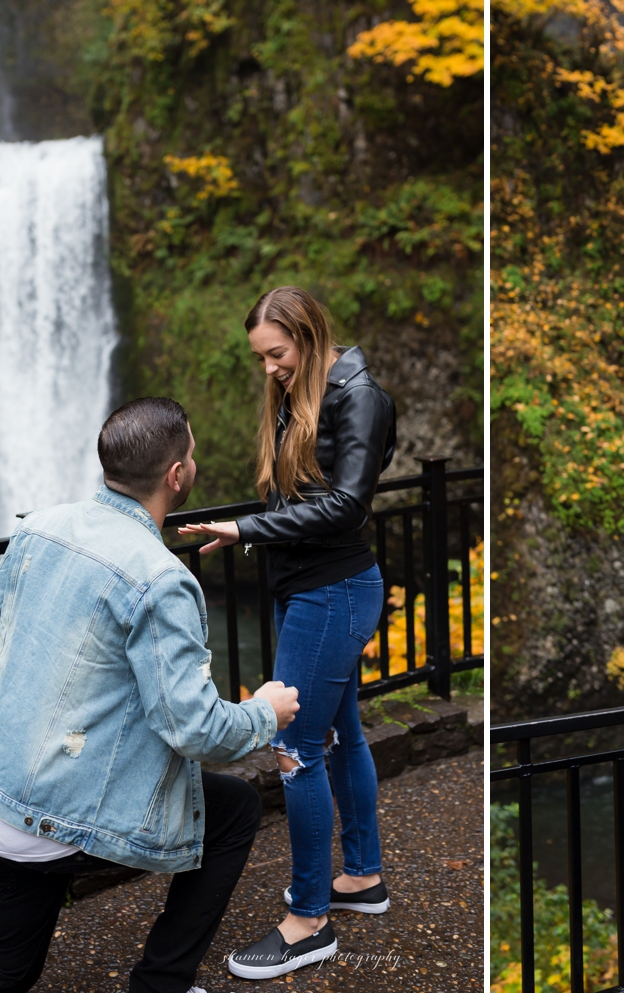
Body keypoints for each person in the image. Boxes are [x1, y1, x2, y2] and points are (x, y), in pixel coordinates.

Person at [0, 397, 301, 993]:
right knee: (3, 972)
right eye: (193, 454)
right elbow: (195, 730)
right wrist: (265, 712)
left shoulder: (41, 525)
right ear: (178, 475)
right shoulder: (160, 578)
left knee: (228, 809)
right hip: (38, 814)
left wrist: (46, 686)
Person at [177, 286, 396, 980]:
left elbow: (345, 503)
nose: (269, 367)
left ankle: (308, 920)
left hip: (332, 591)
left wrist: (248, 529)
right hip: (310, 588)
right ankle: (361, 877)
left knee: (296, 745)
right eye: (261, 358)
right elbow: (296, 494)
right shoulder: (300, 391)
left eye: (277, 353)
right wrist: (240, 527)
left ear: (308, 334)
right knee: (340, 734)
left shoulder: (359, 396)